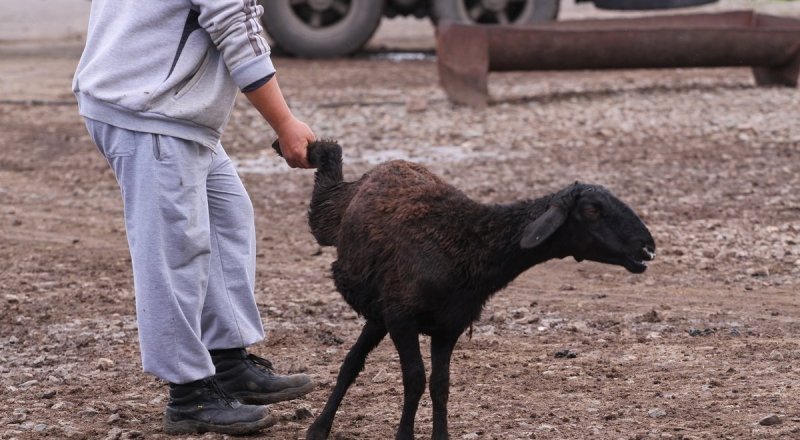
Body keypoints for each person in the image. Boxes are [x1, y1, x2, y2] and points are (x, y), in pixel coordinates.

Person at [73, 0, 316, 435]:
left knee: (227, 219)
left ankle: (228, 362)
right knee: (174, 249)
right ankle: (188, 396)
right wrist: (284, 122)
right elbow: (235, 26)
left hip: (162, 103)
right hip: (150, 111)